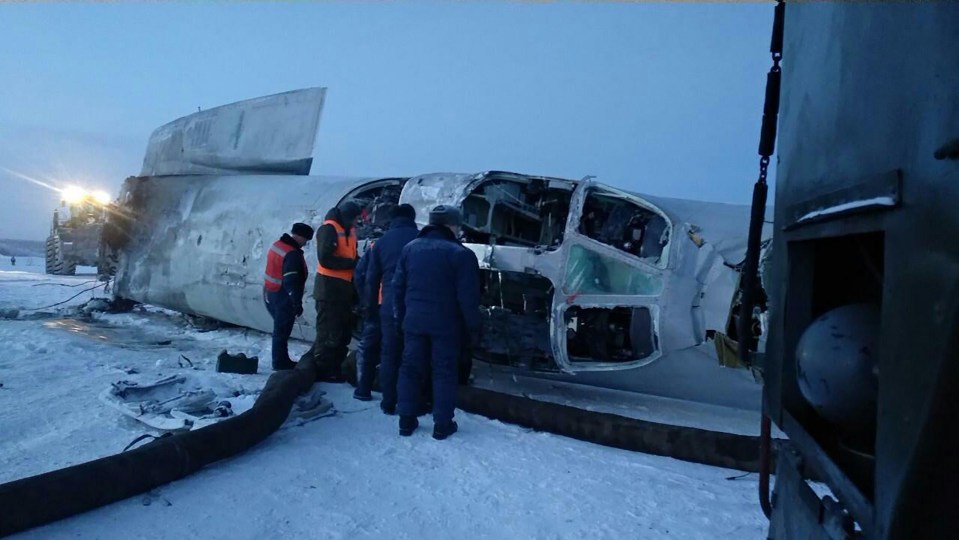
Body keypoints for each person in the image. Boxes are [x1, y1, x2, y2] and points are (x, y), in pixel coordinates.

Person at [394, 205, 481, 440]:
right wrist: (474, 327)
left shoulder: (409, 249)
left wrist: (400, 318)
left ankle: (406, 419)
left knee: (410, 369)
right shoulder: (461, 254)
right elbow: (468, 297)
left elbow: (398, 287)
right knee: (444, 371)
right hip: (446, 325)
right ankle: (442, 424)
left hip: (413, 321)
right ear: (451, 226)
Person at [360, 204, 419, 411]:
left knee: (389, 355)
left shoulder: (382, 243)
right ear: (413, 218)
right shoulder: (421, 240)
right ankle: (411, 401)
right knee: (413, 356)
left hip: (387, 307)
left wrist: (369, 308)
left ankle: (388, 402)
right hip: (414, 308)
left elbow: (370, 279)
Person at [303, 201, 361, 382]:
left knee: (342, 333)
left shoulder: (348, 231)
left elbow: (351, 255)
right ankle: (323, 370)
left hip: (343, 290)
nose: (357, 223)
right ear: (347, 216)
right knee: (328, 333)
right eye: (356, 219)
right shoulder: (328, 230)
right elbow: (326, 259)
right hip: (328, 290)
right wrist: (354, 264)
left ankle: (336, 368)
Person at [263, 222, 313, 371]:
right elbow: (291, 281)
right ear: (299, 236)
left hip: (270, 291)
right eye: (305, 240)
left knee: (279, 329)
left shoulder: (278, 245)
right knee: (282, 331)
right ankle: (280, 362)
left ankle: (280, 360)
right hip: (282, 296)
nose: (305, 243)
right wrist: (296, 302)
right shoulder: (292, 254)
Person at [352, 241, 381, 401]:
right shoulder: (412, 246)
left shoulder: (376, 247)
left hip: (374, 306)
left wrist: (365, 300)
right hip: (396, 308)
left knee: (367, 347)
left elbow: (359, 274)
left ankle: (363, 388)